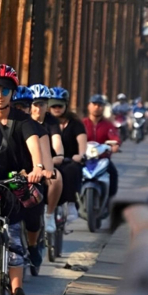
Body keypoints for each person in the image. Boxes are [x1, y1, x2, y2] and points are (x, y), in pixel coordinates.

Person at [0, 64, 49, 295]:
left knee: (15, 233)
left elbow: (33, 142)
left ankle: (17, 289)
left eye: (6, 90)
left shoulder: (23, 120)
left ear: (13, 93)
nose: (0, 95)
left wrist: (37, 167)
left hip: (15, 181)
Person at [27, 84, 64, 235]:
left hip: (46, 162)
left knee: (57, 178)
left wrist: (59, 155)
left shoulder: (51, 121)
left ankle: (49, 214)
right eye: (35, 104)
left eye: (41, 104)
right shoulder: (25, 121)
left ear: (47, 105)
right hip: (27, 163)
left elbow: (56, 140)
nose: (38, 109)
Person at [48, 87, 86, 226]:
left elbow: (82, 141)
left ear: (66, 105)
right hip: (48, 160)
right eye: (54, 106)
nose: (57, 109)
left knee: (72, 169)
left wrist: (81, 155)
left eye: (60, 106)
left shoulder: (75, 123)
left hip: (69, 160)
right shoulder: (46, 122)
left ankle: (71, 204)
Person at [82, 94, 121, 201]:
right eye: (94, 104)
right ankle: (71, 201)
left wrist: (115, 145)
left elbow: (115, 137)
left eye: (100, 105)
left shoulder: (108, 125)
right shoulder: (82, 123)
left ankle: (110, 199)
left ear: (103, 107)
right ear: (89, 106)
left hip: (102, 159)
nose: (97, 107)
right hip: (84, 158)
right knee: (71, 173)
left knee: (113, 173)